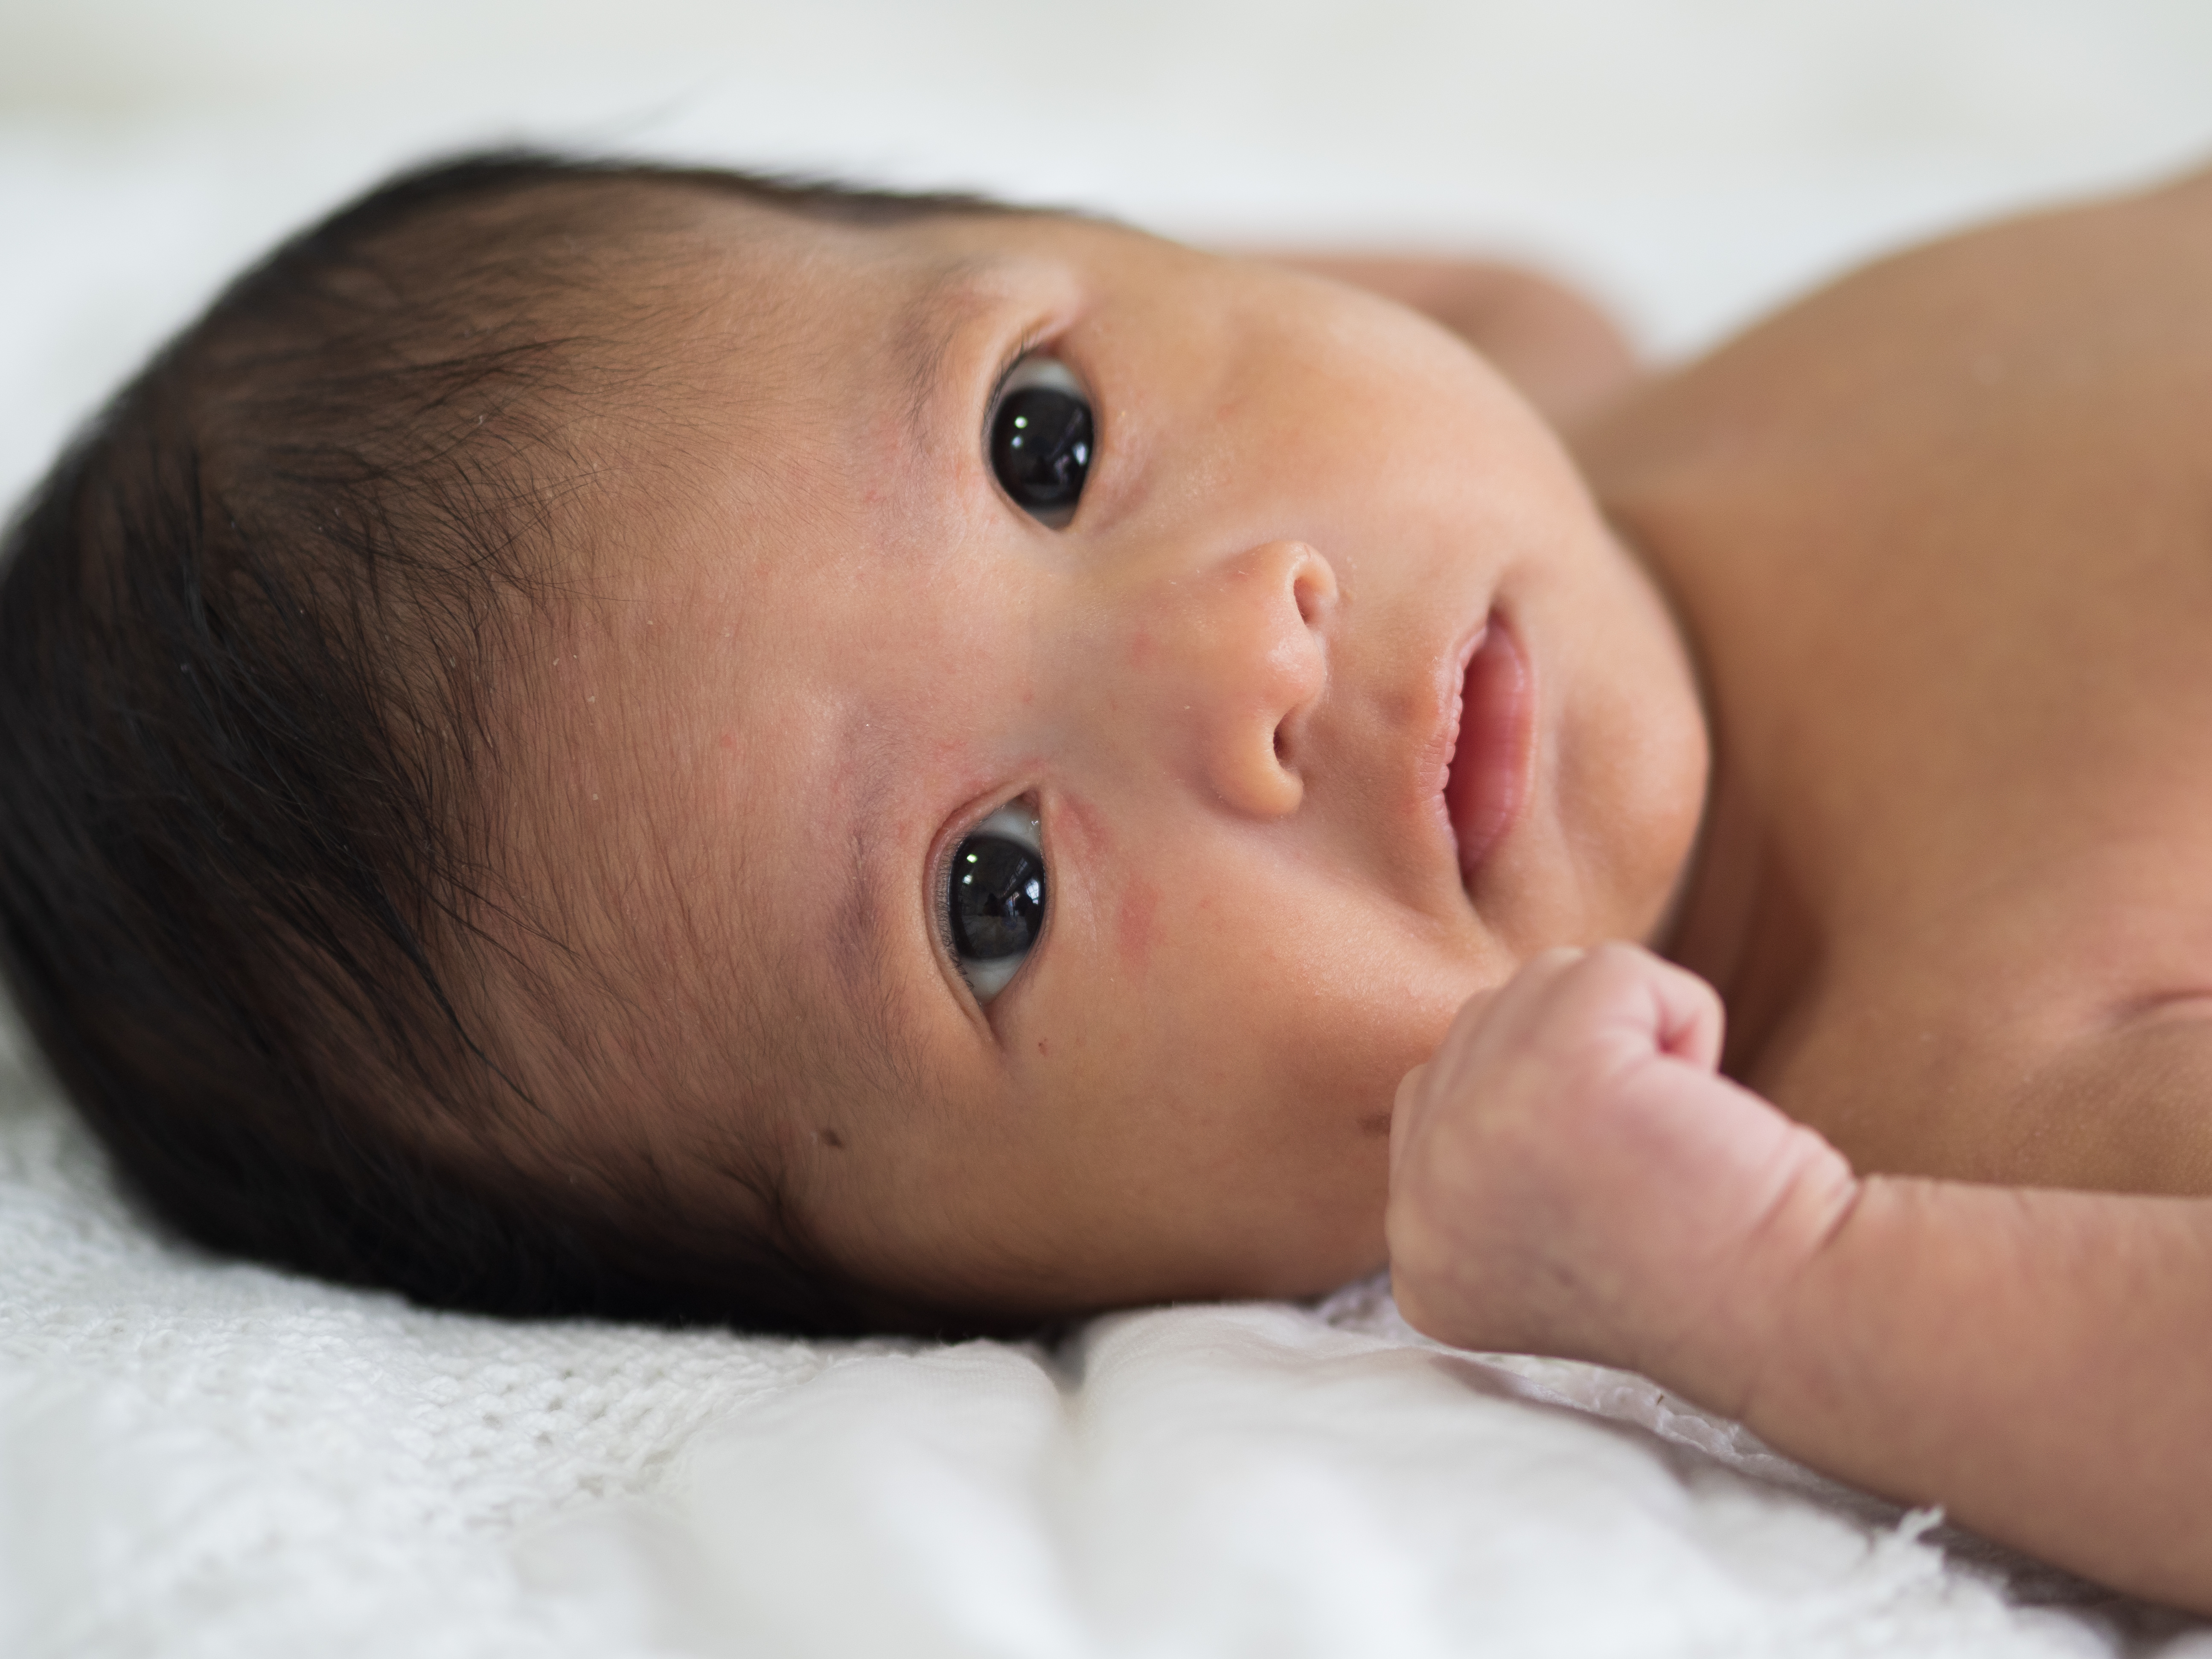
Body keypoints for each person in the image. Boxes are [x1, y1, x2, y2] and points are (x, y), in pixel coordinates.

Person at [4, 150, 2210, 1608]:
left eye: (1040, 441)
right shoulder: (1960, 1073)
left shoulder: (1561, 393)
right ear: (1011, 1302)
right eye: (996, 899)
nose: (1242, 651)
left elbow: (1439, 292)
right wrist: (1785, 1290)